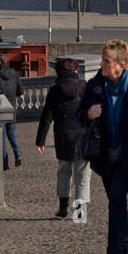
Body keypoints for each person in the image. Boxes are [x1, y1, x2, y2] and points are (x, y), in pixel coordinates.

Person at [77, 39, 128, 254]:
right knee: (117, 201)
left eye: (106, 61)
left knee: (117, 198)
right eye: (102, 60)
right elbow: (79, 115)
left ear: (121, 65)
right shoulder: (94, 86)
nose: (102, 65)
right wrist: (88, 114)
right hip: (104, 156)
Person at [36, 56, 89, 220]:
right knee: (82, 175)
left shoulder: (55, 90)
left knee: (64, 172)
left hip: (63, 136)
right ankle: (80, 213)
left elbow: (47, 117)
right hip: (82, 136)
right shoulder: (84, 87)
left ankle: (63, 207)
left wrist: (41, 140)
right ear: (75, 70)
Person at [0, 53, 24, 170]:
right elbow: (20, 91)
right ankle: (18, 154)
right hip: (11, 109)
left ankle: (5, 163)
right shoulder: (14, 74)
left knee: (1, 139)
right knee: (12, 134)